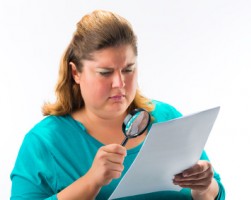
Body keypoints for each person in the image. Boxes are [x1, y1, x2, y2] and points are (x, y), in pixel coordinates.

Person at [10, 9, 225, 200]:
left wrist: (205, 188)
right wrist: (90, 182)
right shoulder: (44, 143)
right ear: (75, 73)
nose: (119, 83)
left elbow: (215, 193)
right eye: (105, 73)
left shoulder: (167, 117)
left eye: (128, 69)